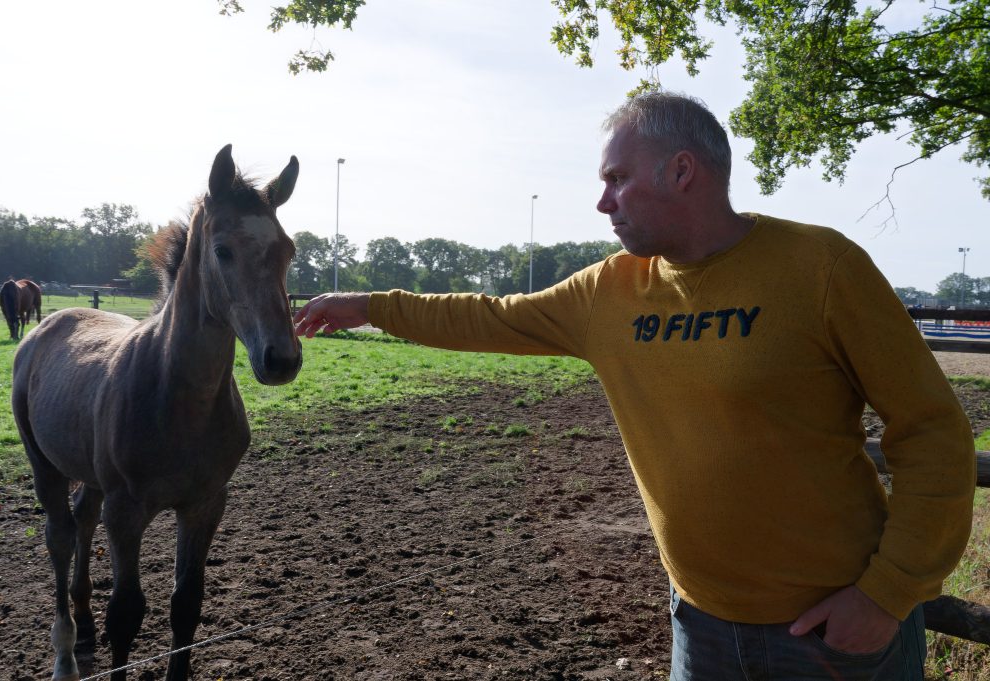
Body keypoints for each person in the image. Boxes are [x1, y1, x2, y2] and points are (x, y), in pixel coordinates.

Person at [294, 91, 975, 680]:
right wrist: (373, 305)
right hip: (701, 628)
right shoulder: (608, 291)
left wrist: (886, 596)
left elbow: (933, 432)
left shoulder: (822, 268)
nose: (601, 201)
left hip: (837, 632)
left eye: (616, 179)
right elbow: (488, 314)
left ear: (682, 171)